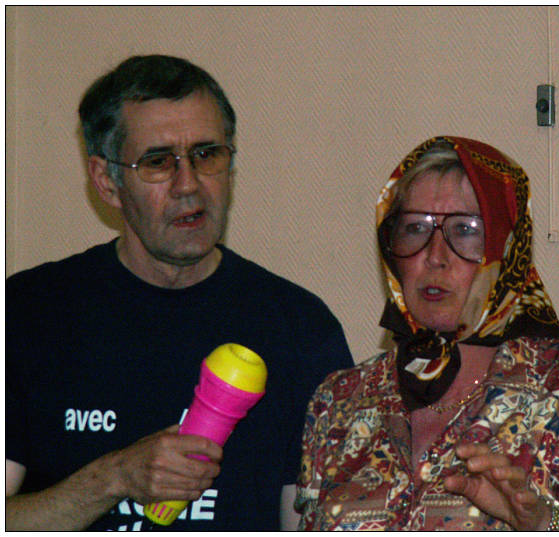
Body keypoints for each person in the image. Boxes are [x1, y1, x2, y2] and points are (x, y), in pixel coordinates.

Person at [6, 54, 353, 531]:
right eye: (157, 162)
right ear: (107, 182)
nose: (188, 185)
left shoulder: (300, 328)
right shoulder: (26, 313)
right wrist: (113, 478)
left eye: (207, 154)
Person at [296, 136, 559, 530]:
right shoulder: (339, 400)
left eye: (464, 230)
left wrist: (544, 521)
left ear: (507, 248)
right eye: (415, 228)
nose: (435, 256)